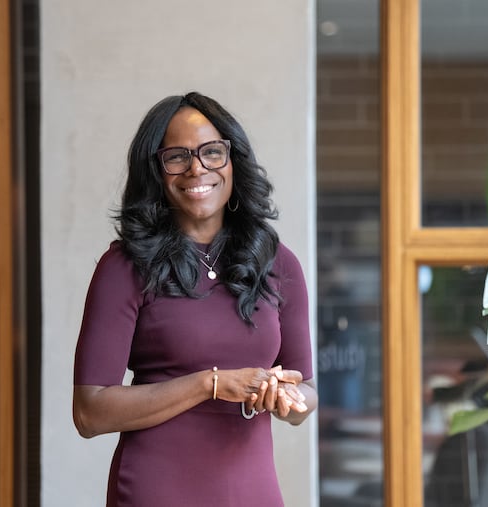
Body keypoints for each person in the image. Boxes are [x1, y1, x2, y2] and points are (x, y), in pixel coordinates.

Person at [72, 91, 317, 507]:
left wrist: (283, 398)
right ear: (156, 171)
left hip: (253, 492)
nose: (197, 168)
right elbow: (89, 412)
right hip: (157, 491)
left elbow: (306, 395)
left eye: (212, 152)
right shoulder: (124, 267)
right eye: (177, 156)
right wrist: (210, 384)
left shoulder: (278, 263)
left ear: (233, 160)